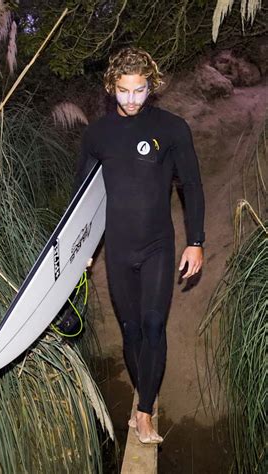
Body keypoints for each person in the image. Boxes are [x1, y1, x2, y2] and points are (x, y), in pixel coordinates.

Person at [75, 47, 205, 444]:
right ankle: (143, 388)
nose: (132, 99)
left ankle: (144, 411)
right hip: (117, 248)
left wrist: (195, 241)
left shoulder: (172, 128)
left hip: (157, 246)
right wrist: (81, 251)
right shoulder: (97, 135)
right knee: (130, 331)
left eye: (140, 90)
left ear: (152, 86)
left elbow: (192, 186)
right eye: (124, 91)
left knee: (152, 324)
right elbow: (81, 199)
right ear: (111, 87)